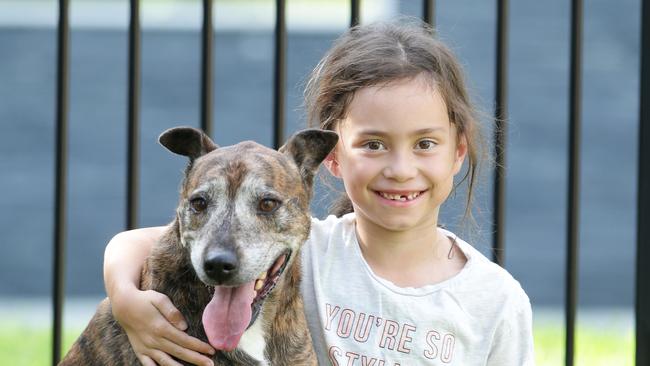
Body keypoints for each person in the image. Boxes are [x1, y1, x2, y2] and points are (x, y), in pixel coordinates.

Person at [104, 19, 534, 366]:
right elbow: (133, 243)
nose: (401, 170)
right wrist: (125, 299)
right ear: (331, 156)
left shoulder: (495, 301)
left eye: (425, 144)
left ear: (458, 152)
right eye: (373, 144)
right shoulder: (309, 248)